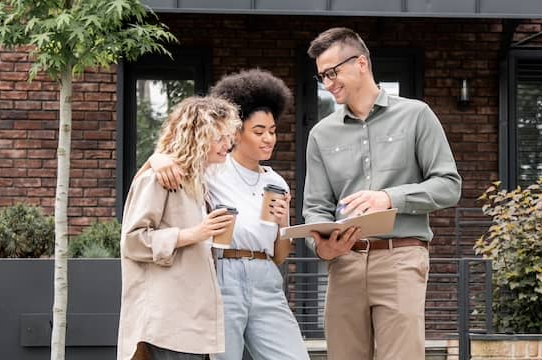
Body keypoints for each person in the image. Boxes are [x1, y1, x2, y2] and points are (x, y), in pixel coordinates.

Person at [302, 27, 462, 359]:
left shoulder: (416, 115)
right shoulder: (320, 134)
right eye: (322, 77)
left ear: (361, 62)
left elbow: (449, 185)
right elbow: (315, 208)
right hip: (344, 263)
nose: (328, 83)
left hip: (401, 258)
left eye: (332, 72)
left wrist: (389, 198)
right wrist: (321, 246)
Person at [146, 69, 310, 360]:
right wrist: (157, 159)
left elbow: (279, 255)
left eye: (272, 130)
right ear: (236, 132)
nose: (268, 138)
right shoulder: (214, 169)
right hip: (222, 276)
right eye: (258, 131)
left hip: (266, 279)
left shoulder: (276, 183)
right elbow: (176, 154)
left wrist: (284, 224)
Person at [118, 96, 242, 360]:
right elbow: (132, 241)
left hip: (192, 321)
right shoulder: (158, 179)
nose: (227, 145)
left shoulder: (196, 184)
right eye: (219, 137)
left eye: (228, 137)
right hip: (168, 322)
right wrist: (195, 233)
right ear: (197, 136)